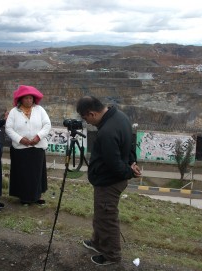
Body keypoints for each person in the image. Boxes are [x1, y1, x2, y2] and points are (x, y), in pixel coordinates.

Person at [76, 96, 141, 266]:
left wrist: (129, 171)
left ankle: (112, 256)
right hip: (109, 179)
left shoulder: (107, 132)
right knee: (100, 215)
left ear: (92, 113)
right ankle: (98, 243)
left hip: (109, 182)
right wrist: (133, 163)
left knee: (107, 219)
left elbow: (114, 165)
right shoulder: (121, 116)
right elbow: (131, 144)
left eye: (85, 118)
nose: (87, 123)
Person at [5, 85, 51, 205]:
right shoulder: (14, 112)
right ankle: (24, 198)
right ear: (20, 99)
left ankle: (37, 196)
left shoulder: (40, 109)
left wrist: (38, 137)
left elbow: (47, 125)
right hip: (21, 149)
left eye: (31, 98)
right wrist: (20, 139)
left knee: (37, 173)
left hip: (37, 147)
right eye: (26, 98)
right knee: (23, 174)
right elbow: (8, 128)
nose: (29, 100)